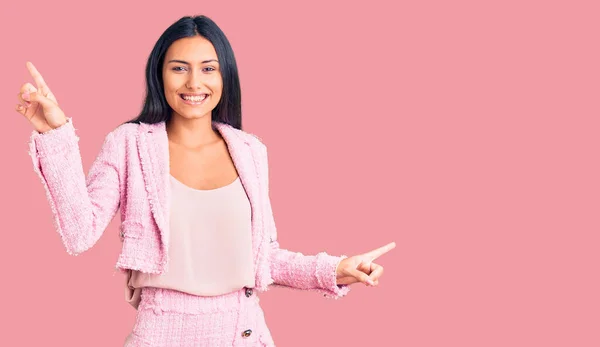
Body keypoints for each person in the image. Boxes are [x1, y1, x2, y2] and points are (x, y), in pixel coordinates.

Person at [16, 15, 396, 347]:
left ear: (225, 74)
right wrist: (56, 135)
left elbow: (264, 259)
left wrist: (335, 269)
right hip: (160, 333)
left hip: (242, 332)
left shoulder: (250, 151)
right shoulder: (129, 144)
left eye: (208, 68)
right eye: (179, 67)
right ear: (159, 73)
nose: (194, 82)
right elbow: (79, 233)